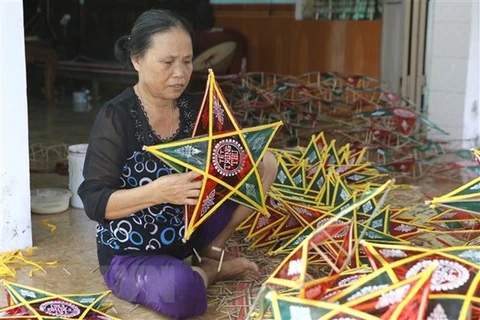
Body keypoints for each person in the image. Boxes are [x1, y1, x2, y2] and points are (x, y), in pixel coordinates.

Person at [78, 9, 278, 319]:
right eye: (168, 62)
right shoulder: (116, 117)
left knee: (263, 161)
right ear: (137, 60)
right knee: (181, 292)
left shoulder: (196, 108)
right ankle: (209, 272)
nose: (180, 73)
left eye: (187, 61)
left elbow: (238, 160)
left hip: (190, 230)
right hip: (131, 254)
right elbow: (93, 201)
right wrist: (157, 192)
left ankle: (213, 248)